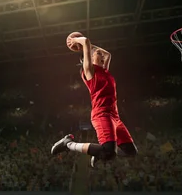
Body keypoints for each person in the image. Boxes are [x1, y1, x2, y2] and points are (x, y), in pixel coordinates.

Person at [51, 34, 137, 167]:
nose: (101, 55)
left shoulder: (104, 71)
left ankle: (98, 153)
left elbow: (108, 54)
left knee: (130, 151)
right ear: (88, 59)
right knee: (109, 153)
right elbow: (85, 41)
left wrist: (93, 49)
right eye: (97, 54)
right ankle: (68, 144)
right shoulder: (90, 72)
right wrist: (75, 41)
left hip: (115, 117)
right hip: (101, 114)